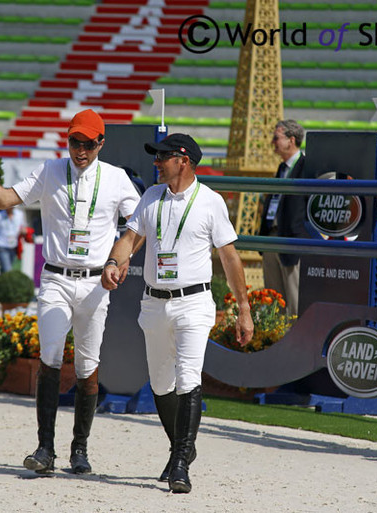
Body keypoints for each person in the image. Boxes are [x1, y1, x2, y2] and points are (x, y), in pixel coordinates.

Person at [0, 109, 140, 475]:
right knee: (49, 356)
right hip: (56, 280)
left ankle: (79, 449)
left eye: (88, 144)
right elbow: (3, 200)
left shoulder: (116, 178)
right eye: (74, 141)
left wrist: (119, 260)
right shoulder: (50, 171)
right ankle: (45, 448)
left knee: (87, 367)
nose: (80, 150)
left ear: (101, 143)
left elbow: (138, 226)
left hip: (96, 284)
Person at [101, 133, 253, 494]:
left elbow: (230, 258)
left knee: (187, 379)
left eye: (162, 157)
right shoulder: (151, 197)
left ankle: (181, 462)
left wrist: (244, 309)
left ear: (183, 160)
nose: (156, 162)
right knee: (160, 384)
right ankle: (182, 446)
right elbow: (130, 239)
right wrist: (113, 261)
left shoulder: (211, 202)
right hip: (154, 302)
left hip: (193, 303)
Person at [259, 120, 307, 316]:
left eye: (276, 138)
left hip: (291, 239)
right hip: (272, 236)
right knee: (273, 300)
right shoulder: (282, 168)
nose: (273, 142)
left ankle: (295, 344)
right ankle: (275, 341)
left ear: (291, 140)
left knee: (294, 302)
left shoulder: (306, 167)